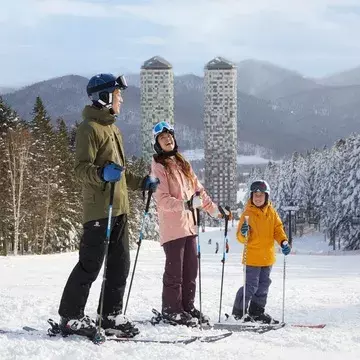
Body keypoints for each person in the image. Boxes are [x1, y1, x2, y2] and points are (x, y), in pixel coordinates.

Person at [58, 74, 159, 339]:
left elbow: (120, 174)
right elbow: (80, 169)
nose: (121, 99)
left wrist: (142, 183)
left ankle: (110, 315)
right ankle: (70, 316)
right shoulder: (89, 128)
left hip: (120, 207)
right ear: (104, 97)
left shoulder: (113, 129)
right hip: (99, 210)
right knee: (90, 264)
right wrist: (102, 174)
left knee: (120, 264)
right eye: (117, 94)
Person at [150, 121, 230, 326]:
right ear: (157, 144)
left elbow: (199, 192)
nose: (167, 139)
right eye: (162, 138)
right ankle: (171, 310)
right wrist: (185, 204)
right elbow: (163, 200)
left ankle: (187, 307)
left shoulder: (183, 164)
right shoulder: (159, 167)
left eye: (169, 136)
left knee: (190, 271)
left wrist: (215, 210)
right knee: (175, 271)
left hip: (189, 226)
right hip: (173, 228)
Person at [232, 180, 291, 324]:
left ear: (267, 196)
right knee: (250, 286)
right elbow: (240, 237)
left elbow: (278, 229)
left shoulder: (272, 212)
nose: (258, 198)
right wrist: (243, 233)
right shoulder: (247, 213)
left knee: (264, 286)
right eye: (255, 195)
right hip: (252, 257)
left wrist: (283, 241)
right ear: (251, 196)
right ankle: (238, 313)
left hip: (267, 257)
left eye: (261, 195)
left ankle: (256, 312)